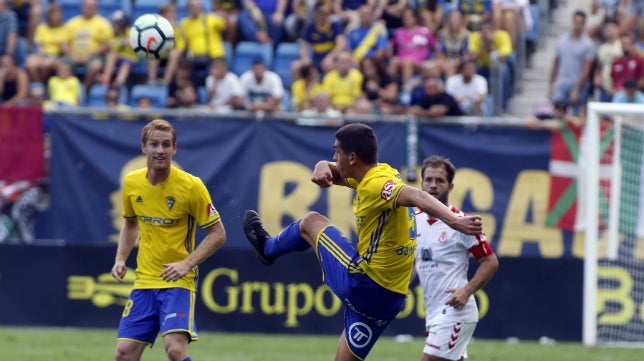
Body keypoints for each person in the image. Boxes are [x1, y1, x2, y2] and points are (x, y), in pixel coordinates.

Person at [242, 122, 483, 361]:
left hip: (364, 283)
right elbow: (336, 171)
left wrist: (454, 221)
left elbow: (417, 195)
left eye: (337, 151)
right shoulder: (379, 173)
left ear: (352, 157)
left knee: (311, 222)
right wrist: (321, 165)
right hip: (389, 301)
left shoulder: (375, 185)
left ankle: (267, 248)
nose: (334, 156)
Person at [111, 119, 226, 361]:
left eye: (166, 145)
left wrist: (186, 264)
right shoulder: (132, 183)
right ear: (144, 147)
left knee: (175, 350)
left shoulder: (191, 186)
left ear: (175, 148)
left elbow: (218, 233)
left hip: (178, 283)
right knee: (123, 354)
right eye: (154, 144)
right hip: (144, 281)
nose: (160, 150)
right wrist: (120, 259)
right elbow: (131, 224)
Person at [413, 155, 498, 361]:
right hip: (433, 312)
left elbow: (490, 261)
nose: (433, 185)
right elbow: (413, 262)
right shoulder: (413, 221)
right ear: (421, 183)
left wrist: (467, 291)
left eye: (439, 180)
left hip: (455, 311)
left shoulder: (462, 223)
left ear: (450, 187)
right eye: (428, 180)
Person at [548, 10, 595, 117]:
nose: (577, 24)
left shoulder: (588, 45)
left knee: (576, 116)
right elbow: (556, 64)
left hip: (578, 85)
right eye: (576, 21)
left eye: (580, 22)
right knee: (557, 115)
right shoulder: (561, 41)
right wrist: (551, 85)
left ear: (584, 24)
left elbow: (586, 70)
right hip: (561, 83)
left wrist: (576, 88)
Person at [180, 0, 228, 88]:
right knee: (185, 72)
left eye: (198, 6)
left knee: (215, 73)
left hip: (214, 56)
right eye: (193, 7)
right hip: (194, 58)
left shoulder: (210, 18)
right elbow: (182, 44)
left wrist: (222, 15)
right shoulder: (184, 24)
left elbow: (223, 24)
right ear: (188, 9)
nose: (196, 9)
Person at [25, 3, 65, 84]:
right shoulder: (42, 28)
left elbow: (64, 47)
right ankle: (38, 83)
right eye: (54, 14)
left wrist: (51, 56)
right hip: (43, 54)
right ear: (49, 15)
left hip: (57, 56)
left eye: (58, 14)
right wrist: (42, 56)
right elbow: (40, 45)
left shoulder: (65, 29)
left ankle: (43, 83)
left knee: (47, 64)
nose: (56, 16)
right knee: (30, 62)